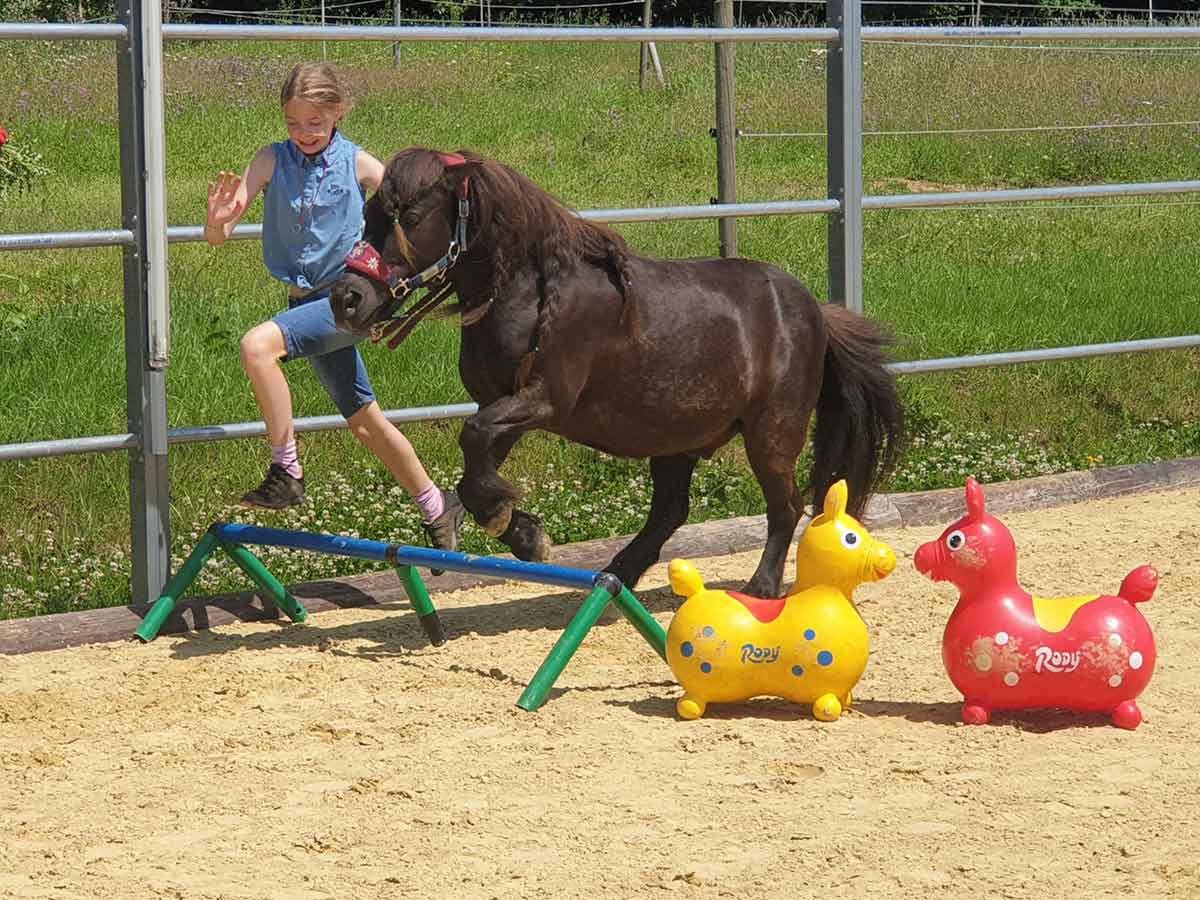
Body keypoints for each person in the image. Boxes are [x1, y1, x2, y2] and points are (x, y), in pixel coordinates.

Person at [203, 61, 464, 558]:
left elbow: (413, 218)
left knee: (257, 348)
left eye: (315, 124)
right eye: (293, 123)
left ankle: (287, 470)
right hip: (303, 302)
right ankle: (436, 504)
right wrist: (216, 222)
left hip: (346, 302)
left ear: (339, 114)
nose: (303, 133)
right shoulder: (270, 160)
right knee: (365, 420)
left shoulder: (361, 164)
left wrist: (403, 285)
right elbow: (219, 235)